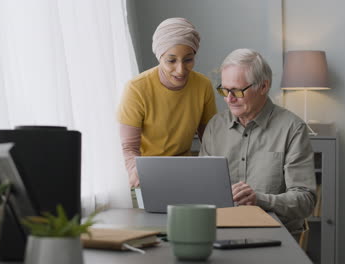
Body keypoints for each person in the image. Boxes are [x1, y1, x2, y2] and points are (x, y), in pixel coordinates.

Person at [199, 48, 316, 234]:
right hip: (221, 232)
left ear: (263, 86)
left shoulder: (292, 128)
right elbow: (201, 187)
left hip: (276, 236)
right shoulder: (215, 126)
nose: (229, 99)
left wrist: (259, 200)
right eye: (224, 90)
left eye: (237, 91)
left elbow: (305, 200)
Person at [118, 18, 217, 187]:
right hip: (146, 174)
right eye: (171, 61)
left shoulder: (203, 85)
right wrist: (136, 171)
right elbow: (129, 147)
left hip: (185, 171)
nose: (181, 69)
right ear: (160, 57)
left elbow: (210, 141)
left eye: (188, 59)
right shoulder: (136, 89)